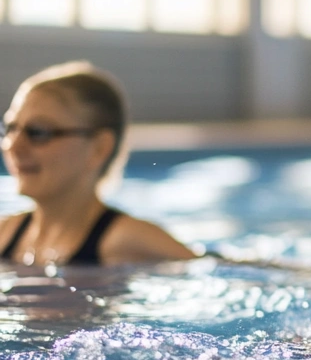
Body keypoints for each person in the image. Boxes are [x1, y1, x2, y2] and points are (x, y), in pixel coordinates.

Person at [0, 62, 196, 266]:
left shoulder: (127, 239)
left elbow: (217, 271)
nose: (13, 146)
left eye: (38, 132)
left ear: (99, 148)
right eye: (11, 129)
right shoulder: (4, 234)